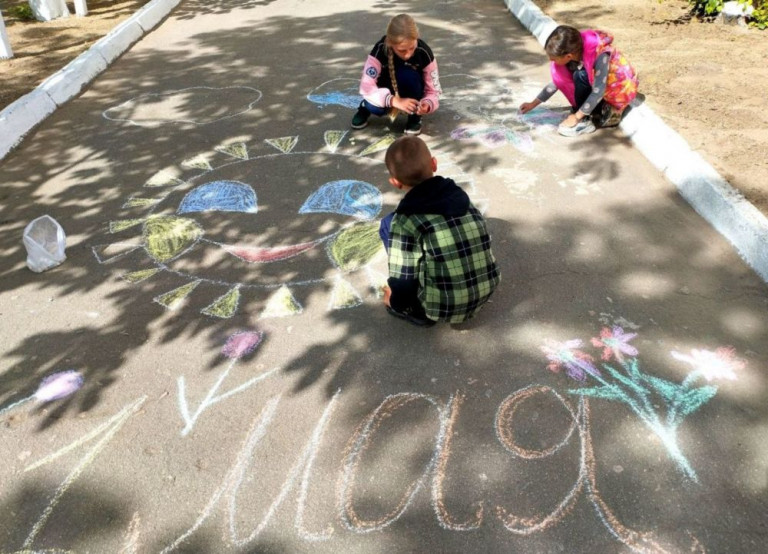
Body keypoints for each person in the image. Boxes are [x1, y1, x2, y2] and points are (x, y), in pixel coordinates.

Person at [379, 136, 500, 327]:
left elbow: (403, 279)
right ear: (434, 164)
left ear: (395, 182)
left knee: (388, 225)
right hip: (486, 288)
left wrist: (396, 302)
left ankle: (419, 312)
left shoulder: (404, 221)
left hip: (444, 306)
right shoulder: (459, 196)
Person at [519, 25, 638, 137]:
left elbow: (598, 91)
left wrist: (576, 117)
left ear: (568, 56)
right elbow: (558, 82)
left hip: (616, 93)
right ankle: (587, 112)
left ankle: (587, 121)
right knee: (578, 73)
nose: (551, 60)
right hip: (600, 89)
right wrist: (533, 104)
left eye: (554, 58)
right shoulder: (575, 51)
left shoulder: (600, 55)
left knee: (580, 75)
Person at [351, 14, 442, 136]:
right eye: (402, 50)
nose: (408, 54)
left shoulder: (424, 52)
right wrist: (394, 101)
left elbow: (433, 90)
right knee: (373, 106)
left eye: (412, 48)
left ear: (417, 38)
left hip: (410, 89)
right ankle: (364, 107)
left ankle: (415, 116)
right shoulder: (379, 50)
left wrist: (427, 104)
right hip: (386, 93)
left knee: (409, 76)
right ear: (390, 43)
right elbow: (366, 88)